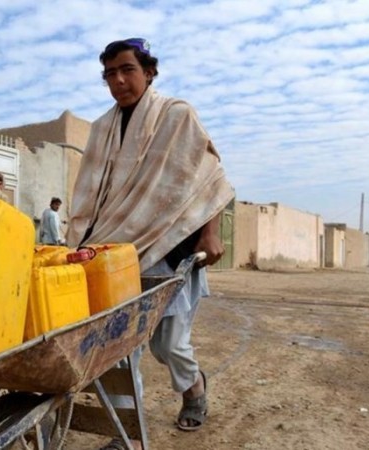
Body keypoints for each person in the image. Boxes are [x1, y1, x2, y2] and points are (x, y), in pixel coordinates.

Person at [66, 38, 234, 447]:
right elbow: (91, 193)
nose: (119, 80)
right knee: (117, 349)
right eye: (110, 74)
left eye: (127, 70)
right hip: (116, 257)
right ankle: (126, 433)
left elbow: (209, 178)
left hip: (172, 251)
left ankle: (193, 389)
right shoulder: (102, 128)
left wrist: (210, 233)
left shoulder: (177, 116)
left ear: (149, 72)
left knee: (168, 345)